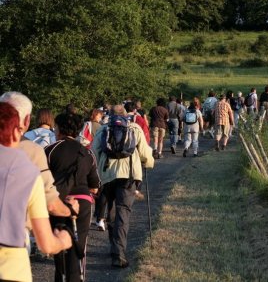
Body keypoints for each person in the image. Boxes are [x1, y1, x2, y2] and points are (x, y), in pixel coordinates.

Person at [0, 102, 72, 282]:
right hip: (10, 265)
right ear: (19, 128)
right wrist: (63, 240)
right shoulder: (27, 172)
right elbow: (47, 244)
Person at [0, 92, 79, 226]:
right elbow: (50, 202)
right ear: (26, 120)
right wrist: (70, 210)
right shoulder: (31, 149)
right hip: (12, 233)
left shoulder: (30, 136)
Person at [92, 105, 154, 268]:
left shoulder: (103, 129)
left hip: (107, 175)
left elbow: (94, 152)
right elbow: (145, 154)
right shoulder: (135, 128)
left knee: (111, 213)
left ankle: (115, 248)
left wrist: (95, 176)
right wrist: (149, 163)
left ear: (109, 116)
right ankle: (119, 254)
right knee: (123, 213)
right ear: (125, 115)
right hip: (129, 176)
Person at [45, 112, 100, 282]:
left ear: (59, 128)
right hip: (82, 202)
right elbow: (95, 186)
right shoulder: (87, 153)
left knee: (58, 246)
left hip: (58, 201)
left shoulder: (50, 150)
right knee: (78, 247)